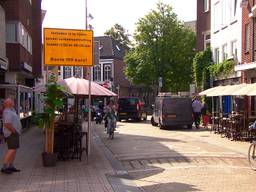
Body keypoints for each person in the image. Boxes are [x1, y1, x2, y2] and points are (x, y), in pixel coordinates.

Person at [1, 98, 22, 174]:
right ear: (8, 103)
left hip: (13, 133)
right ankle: (4, 167)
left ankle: (11, 166)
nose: (13, 102)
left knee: (14, 149)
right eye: (12, 101)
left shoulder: (11, 110)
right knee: (11, 149)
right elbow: (7, 124)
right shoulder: (7, 112)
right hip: (11, 134)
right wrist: (14, 131)